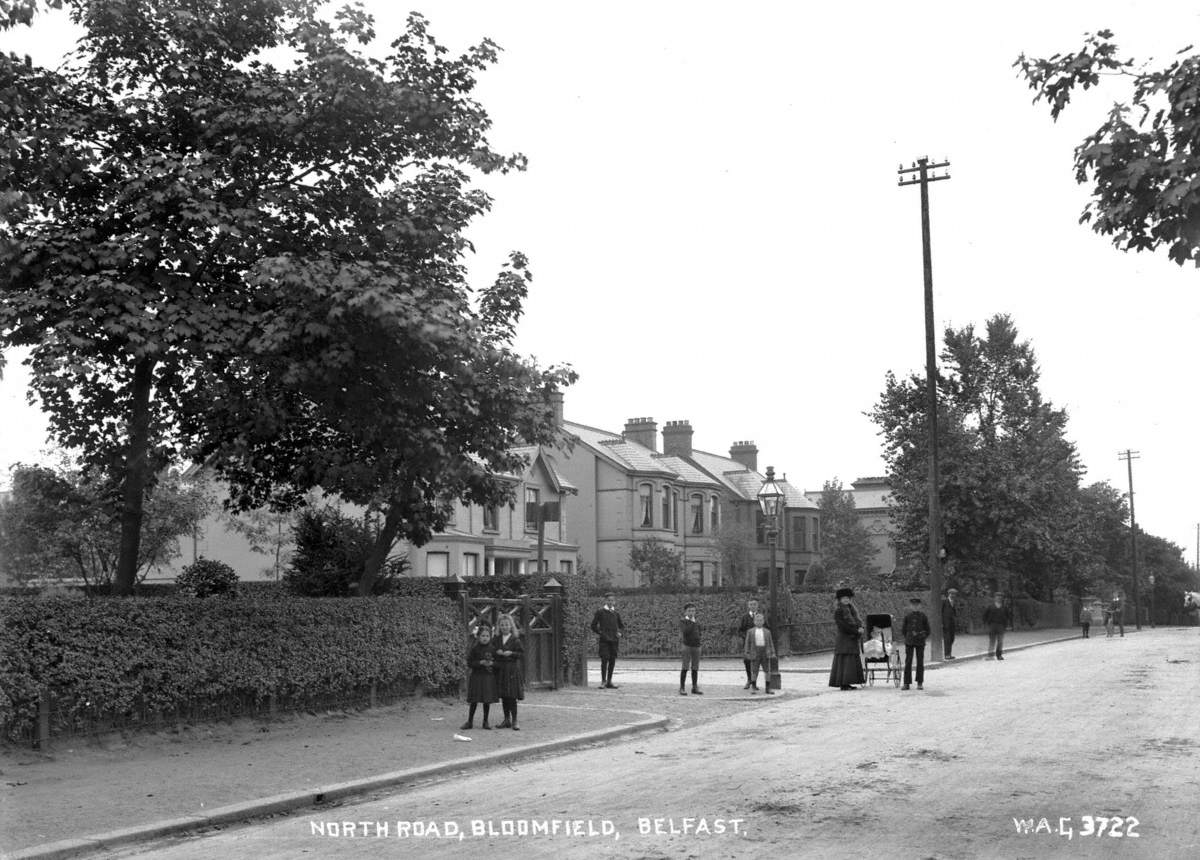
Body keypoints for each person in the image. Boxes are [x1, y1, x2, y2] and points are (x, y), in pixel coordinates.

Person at [461, 623, 497, 730]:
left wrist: (492, 664)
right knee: (474, 700)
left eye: (487, 636)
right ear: (478, 636)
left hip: (488, 677)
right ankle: (470, 721)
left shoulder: (492, 649)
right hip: (476, 677)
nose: (485, 638)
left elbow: (497, 663)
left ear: (490, 637)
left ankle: (485, 722)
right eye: (482, 636)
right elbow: (469, 662)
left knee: (487, 700)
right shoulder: (475, 649)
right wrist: (480, 663)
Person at [828, 587, 865, 691]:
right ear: (839, 599)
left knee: (851, 661)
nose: (846, 600)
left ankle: (847, 683)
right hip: (844, 638)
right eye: (844, 598)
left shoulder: (853, 610)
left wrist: (861, 628)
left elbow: (858, 621)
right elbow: (842, 626)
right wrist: (856, 631)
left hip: (852, 639)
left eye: (847, 598)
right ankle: (843, 683)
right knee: (845, 661)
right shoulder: (839, 611)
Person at [493, 614, 525, 730]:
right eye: (502, 625)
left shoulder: (515, 640)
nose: (504, 627)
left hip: (512, 670)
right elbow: (492, 651)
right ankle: (506, 719)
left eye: (506, 624)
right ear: (499, 626)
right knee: (504, 696)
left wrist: (511, 653)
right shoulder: (496, 639)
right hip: (501, 669)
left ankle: (515, 720)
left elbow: (521, 654)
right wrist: (497, 652)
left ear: (511, 626)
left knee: (512, 696)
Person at [591, 592, 624, 689]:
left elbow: (622, 626)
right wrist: (601, 633)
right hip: (604, 640)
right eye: (609, 600)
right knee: (604, 660)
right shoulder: (600, 612)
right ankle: (603, 681)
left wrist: (620, 633)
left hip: (614, 641)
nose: (610, 602)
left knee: (612, 660)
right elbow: (593, 626)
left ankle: (609, 681)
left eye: (612, 600)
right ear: (605, 601)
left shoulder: (616, 613)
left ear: (614, 602)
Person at [900, 596, 930, 690]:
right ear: (910, 606)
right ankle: (906, 683)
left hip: (920, 642)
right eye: (913, 605)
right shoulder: (907, 616)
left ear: (920, 606)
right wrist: (908, 637)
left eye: (917, 605)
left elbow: (928, 630)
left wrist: (922, 636)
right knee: (908, 662)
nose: (915, 607)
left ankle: (920, 683)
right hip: (909, 641)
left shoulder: (923, 616)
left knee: (920, 662)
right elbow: (903, 630)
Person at [737, 598, 767, 691]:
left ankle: (754, 682)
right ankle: (749, 679)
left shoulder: (761, 616)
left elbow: (766, 628)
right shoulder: (744, 617)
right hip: (748, 644)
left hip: (759, 644)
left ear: (757, 605)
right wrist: (746, 637)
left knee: (756, 663)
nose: (753, 606)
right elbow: (740, 630)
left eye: (754, 604)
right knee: (747, 662)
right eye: (751, 604)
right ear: (748, 606)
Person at [743, 612, 776, 694]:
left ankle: (768, 688)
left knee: (767, 671)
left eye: (761, 620)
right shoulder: (750, 632)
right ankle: (753, 687)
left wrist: (772, 652)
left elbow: (770, 643)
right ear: (754, 622)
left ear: (763, 621)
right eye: (757, 620)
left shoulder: (767, 632)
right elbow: (747, 643)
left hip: (765, 652)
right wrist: (747, 653)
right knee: (754, 671)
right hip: (755, 652)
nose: (759, 622)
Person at [679, 603, 703, 695]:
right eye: (689, 611)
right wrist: (692, 622)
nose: (691, 612)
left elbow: (699, 631)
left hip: (696, 646)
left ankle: (694, 687)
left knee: (695, 668)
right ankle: (682, 688)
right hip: (687, 646)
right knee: (685, 667)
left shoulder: (697, 621)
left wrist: (699, 641)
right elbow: (686, 631)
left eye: (693, 611)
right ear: (685, 612)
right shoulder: (683, 621)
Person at [982, 593, 1007, 660]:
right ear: (995, 598)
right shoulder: (990, 606)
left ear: (1002, 598)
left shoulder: (1004, 607)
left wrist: (1005, 625)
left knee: (1000, 641)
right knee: (992, 641)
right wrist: (986, 623)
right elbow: (985, 615)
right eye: (997, 596)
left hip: (1001, 626)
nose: (999, 598)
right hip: (992, 625)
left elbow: (1007, 616)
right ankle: (990, 655)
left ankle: (999, 655)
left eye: (1000, 597)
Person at [940, 588, 960, 659]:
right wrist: (941, 623)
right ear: (949, 594)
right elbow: (940, 612)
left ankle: (949, 654)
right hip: (946, 624)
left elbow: (954, 613)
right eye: (952, 594)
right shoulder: (944, 601)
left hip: (952, 624)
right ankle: (947, 655)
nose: (954, 595)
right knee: (947, 639)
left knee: (952, 639)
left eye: (955, 594)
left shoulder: (954, 602)